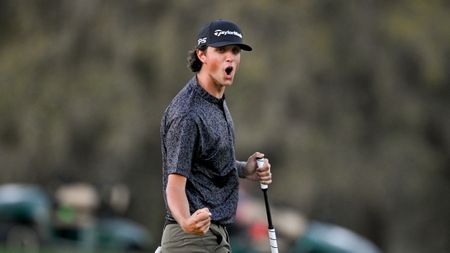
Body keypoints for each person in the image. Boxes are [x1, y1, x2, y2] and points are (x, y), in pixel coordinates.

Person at [159, 19, 272, 253]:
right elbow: (175, 185)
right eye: (220, 50)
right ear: (202, 55)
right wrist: (186, 222)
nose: (230, 57)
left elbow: (205, 161)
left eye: (235, 51)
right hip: (190, 239)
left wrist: (244, 170)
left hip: (217, 237)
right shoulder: (188, 113)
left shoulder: (215, 101)